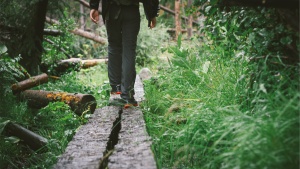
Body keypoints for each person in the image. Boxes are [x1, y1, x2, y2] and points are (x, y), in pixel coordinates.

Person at [89, 0, 159, 108]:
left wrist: (94, 6)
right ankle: (128, 96)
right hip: (131, 10)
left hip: (112, 9)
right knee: (129, 50)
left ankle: (116, 91)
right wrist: (152, 14)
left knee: (114, 47)